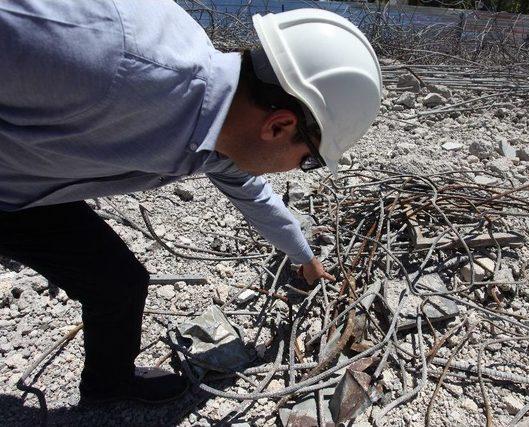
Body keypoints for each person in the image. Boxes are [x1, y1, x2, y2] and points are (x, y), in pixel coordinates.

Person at [0, 0, 382, 405]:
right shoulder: (110, 53)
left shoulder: (223, 133)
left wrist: (303, 255)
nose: (297, 171)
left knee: (119, 284)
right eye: (308, 162)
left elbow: (257, 197)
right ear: (279, 126)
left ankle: (108, 387)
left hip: (27, 199)